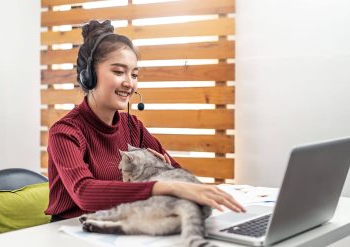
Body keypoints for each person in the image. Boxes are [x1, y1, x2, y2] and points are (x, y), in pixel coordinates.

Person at [45, 20, 245, 222]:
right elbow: (84, 193)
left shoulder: (132, 127)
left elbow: (177, 175)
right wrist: (163, 186)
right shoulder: (65, 132)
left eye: (134, 74)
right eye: (118, 71)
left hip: (120, 225)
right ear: (89, 76)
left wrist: (166, 173)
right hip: (69, 231)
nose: (129, 83)